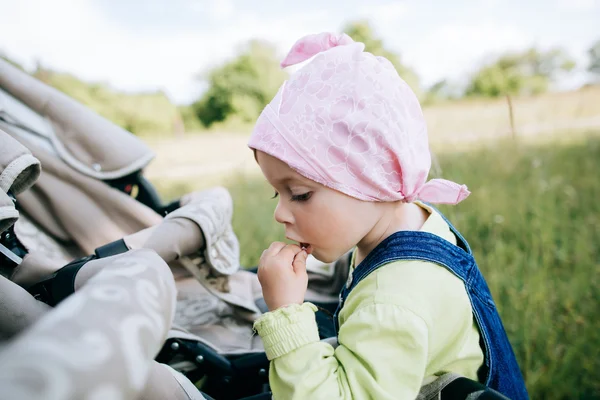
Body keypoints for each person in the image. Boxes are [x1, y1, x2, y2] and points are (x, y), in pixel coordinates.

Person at [248, 32, 528, 400]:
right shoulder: (412, 221)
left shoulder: (392, 302)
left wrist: (286, 313)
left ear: (371, 179)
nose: (280, 213)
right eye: (276, 192)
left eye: (299, 194)